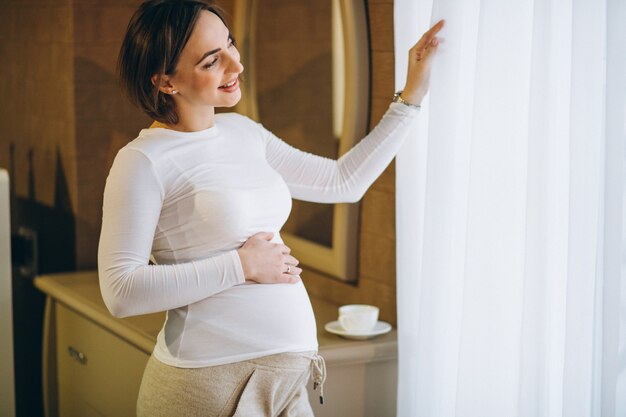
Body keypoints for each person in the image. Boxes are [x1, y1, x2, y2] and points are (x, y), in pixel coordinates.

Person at [97, 0, 443, 415]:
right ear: (166, 82)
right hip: (206, 388)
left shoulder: (243, 132)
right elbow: (121, 292)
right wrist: (242, 265)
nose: (236, 65)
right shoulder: (142, 161)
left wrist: (409, 99)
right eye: (212, 61)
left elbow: (343, 181)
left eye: (230, 45)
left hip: (288, 382)